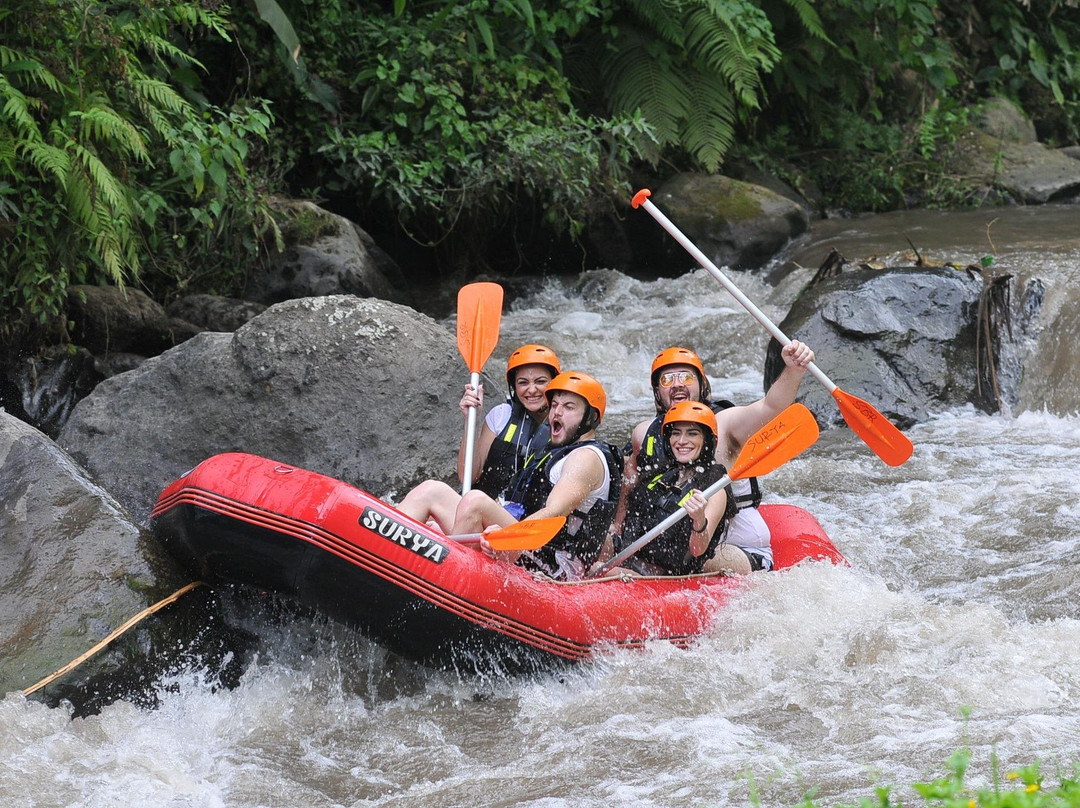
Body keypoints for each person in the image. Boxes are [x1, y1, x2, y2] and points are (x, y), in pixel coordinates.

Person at [609, 341, 814, 572]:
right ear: (658, 392)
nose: (677, 385)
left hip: (733, 541)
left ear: (702, 385)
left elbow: (772, 406)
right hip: (675, 539)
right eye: (667, 380)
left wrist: (793, 370)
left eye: (685, 377)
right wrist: (617, 527)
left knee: (690, 560)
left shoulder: (725, 424)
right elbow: (631, 478)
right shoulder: (645, 432)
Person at [397, 371, 623, 581]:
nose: (557, 412)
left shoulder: (587, 457)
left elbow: (553, 513)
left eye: (569, 407)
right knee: (431, 490)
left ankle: (442, 582)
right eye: (554, 405)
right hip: (530, 546)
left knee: (475, 501)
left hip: (554, 566)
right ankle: (388, 559)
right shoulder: (555, 452)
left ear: (591, 417)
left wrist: (506, 537)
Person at [614, 401, 741, 575]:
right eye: (676, 433)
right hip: (632, 562)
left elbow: (698, 549)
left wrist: (699, 519)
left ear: (707, 440)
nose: (681, 441)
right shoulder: (662, 473)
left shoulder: (714, 488)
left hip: (667, 578)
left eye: (692, 433)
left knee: (597, 568)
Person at [457, 344, 560, 502]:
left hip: (524, 520)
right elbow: (467, 478)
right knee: (431, 490)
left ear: (554, 383)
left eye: (540, 381)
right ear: (514, 387)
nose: (531, 390)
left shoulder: (565, 425)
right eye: (523, 383)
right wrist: (472, 419)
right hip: (479, 509)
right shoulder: (502, 415)